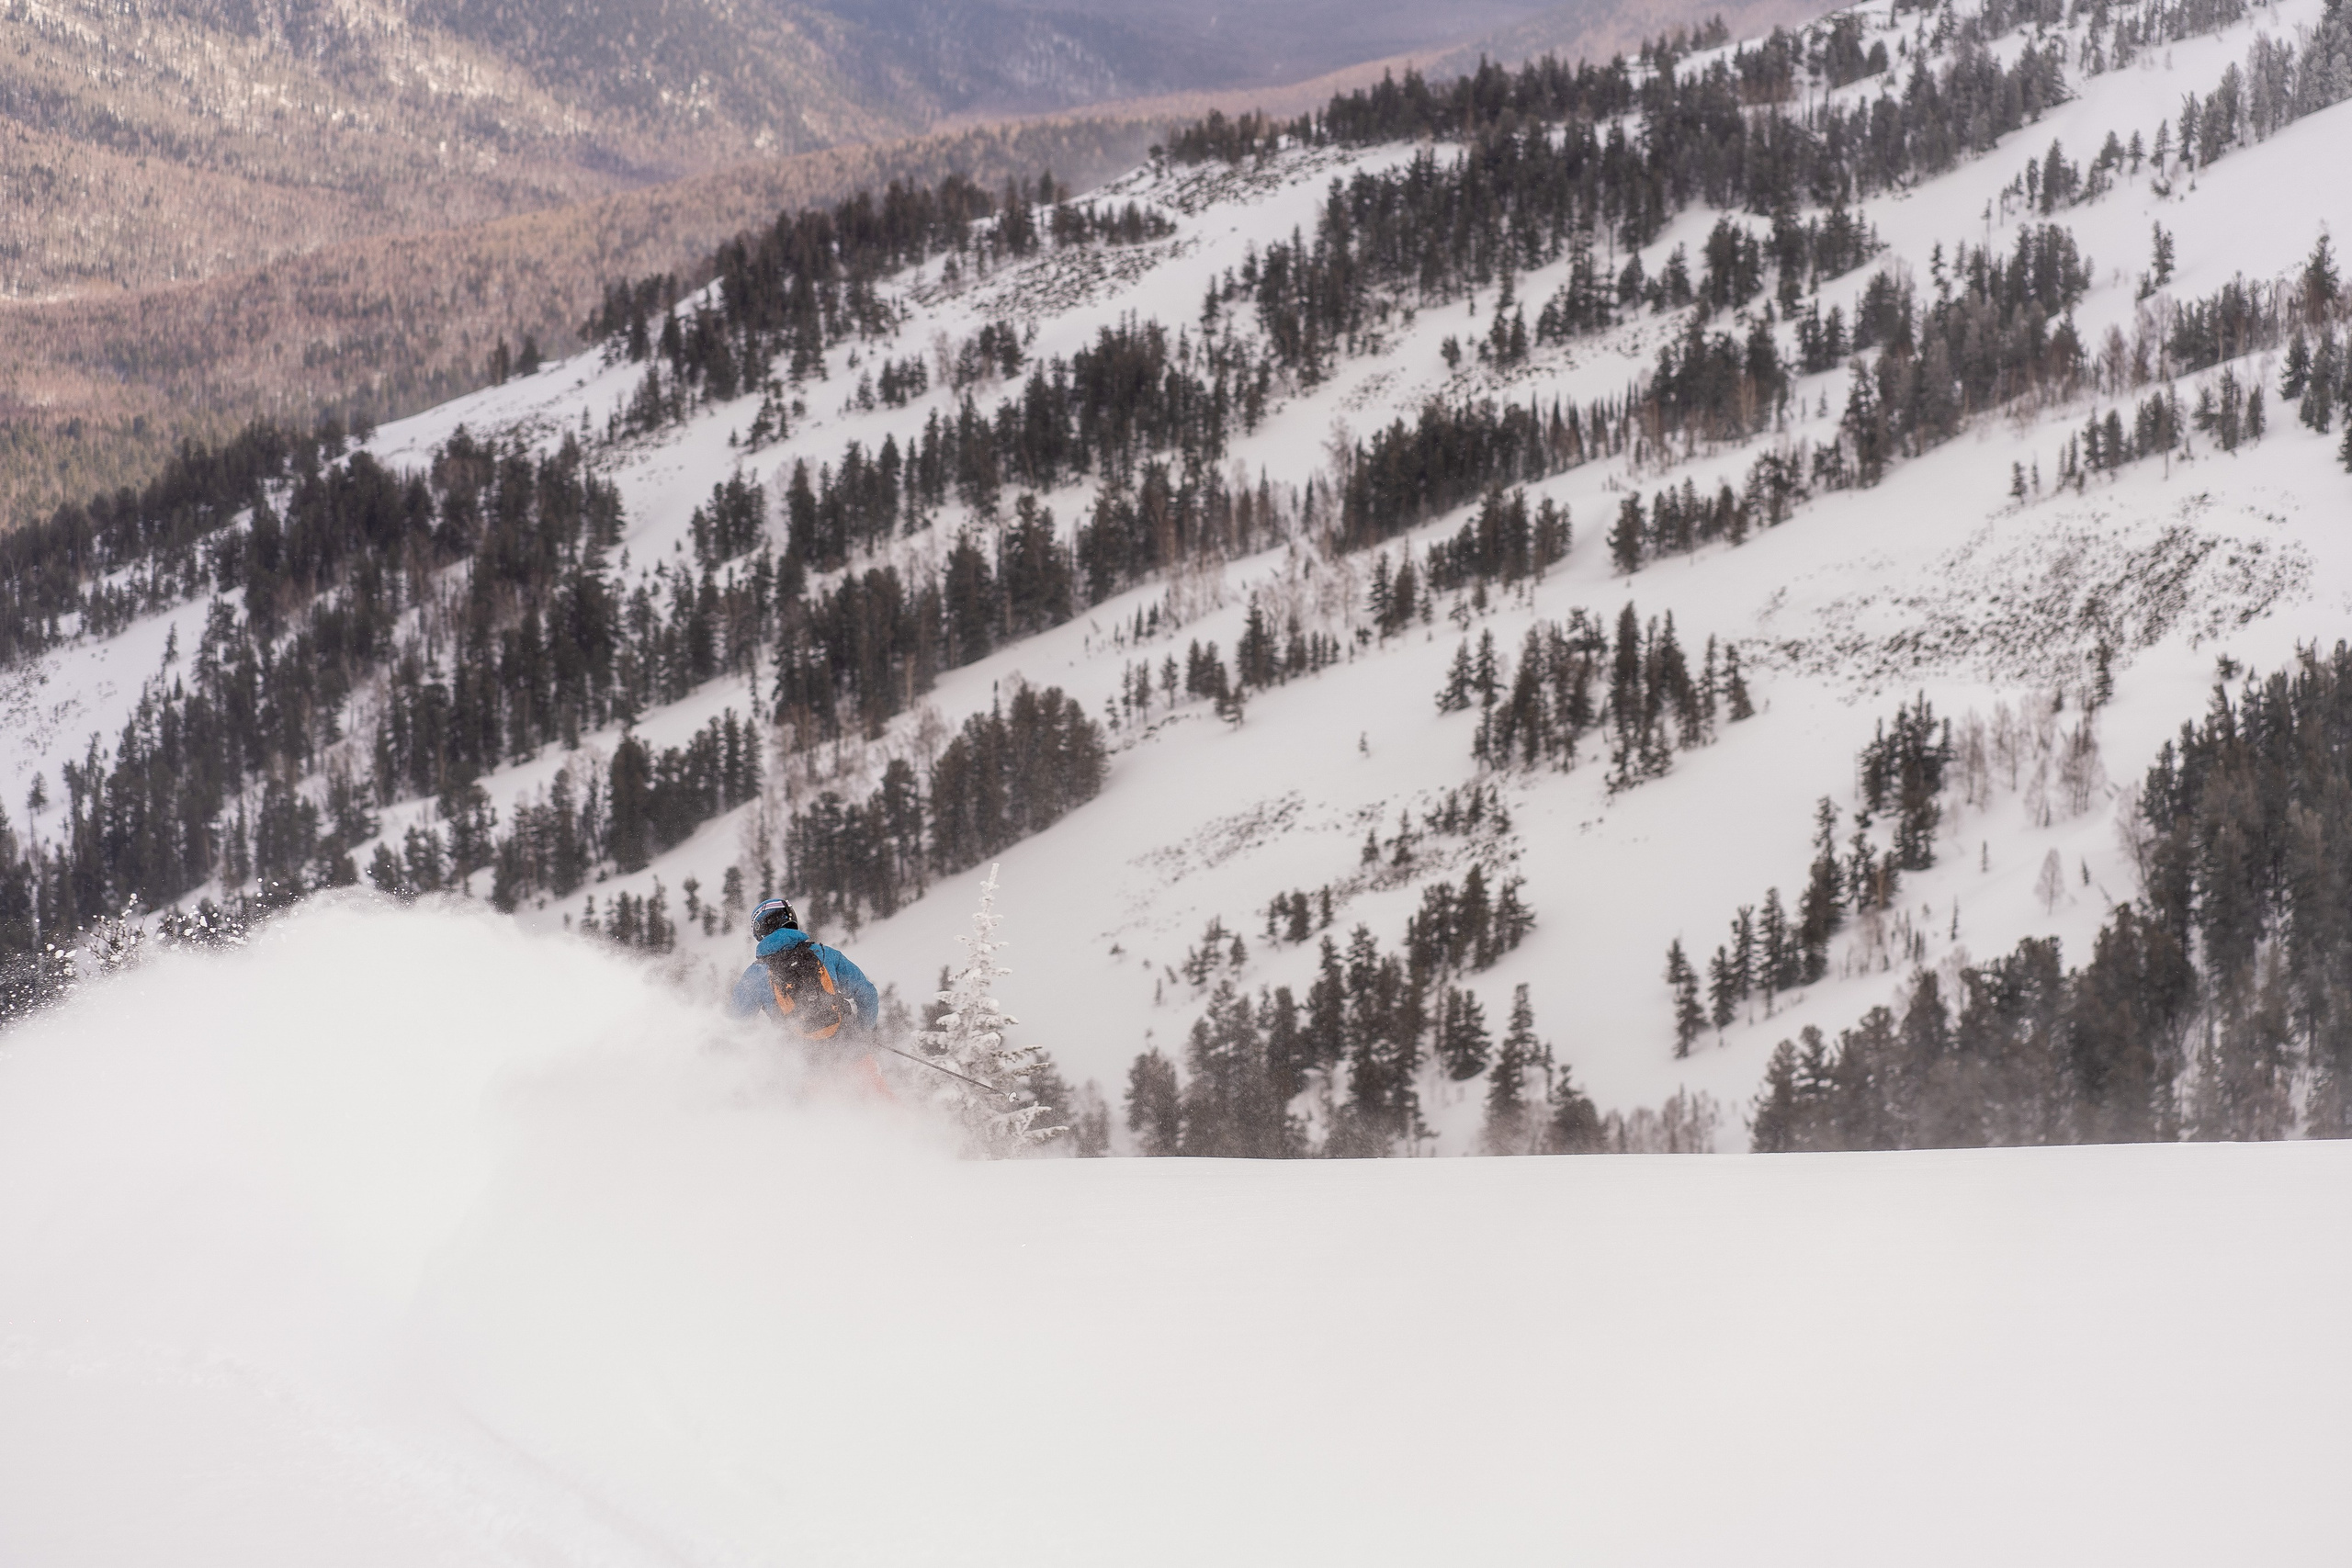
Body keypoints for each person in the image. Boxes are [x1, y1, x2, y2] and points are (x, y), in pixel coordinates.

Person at [728, 897, 881, 1040]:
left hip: (798, 1061)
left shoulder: (756, 974)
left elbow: (737, 1022)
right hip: (848, 1047)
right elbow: (867, 994)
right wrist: (863, 1032)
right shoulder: (824, 953)